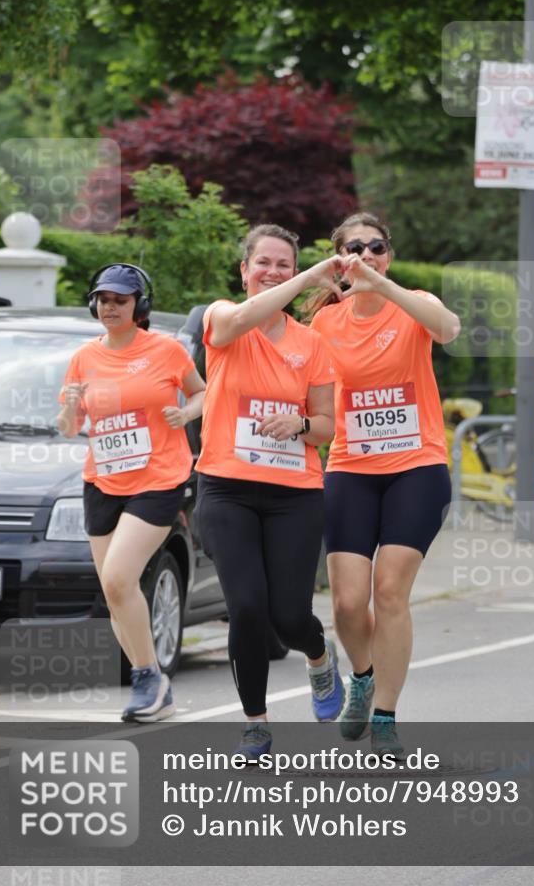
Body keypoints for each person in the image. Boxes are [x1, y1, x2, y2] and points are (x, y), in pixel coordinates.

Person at [307, 213, 461, 758]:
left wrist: (384, 287)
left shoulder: (411, 302)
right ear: (339, 257)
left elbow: (449, 330)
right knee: (349, 604)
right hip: (350, 466)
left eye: (376, 247)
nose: (367, 254)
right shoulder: (325, 324)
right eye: (355, 247)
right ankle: (363, 677)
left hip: (416, 466)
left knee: (390, 592)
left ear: (387, 255)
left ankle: (388, 716)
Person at [194, 224, 346, 758]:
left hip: (293, 495)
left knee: (287, 616)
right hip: (227, 489)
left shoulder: (313, 345)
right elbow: (242, 316)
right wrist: (309, 278)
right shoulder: (222, 319)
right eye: (264, 263)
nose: (273, 272)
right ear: (244, 270)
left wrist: (300, 425)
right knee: (248, 607)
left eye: (284, 264)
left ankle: (319, 656)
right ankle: (256, 724)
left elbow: (328, 425)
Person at [58, 264, 206, 723]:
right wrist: (69, 403)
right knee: (112, 590)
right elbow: (69, 427)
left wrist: (187, 414)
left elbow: (203, 392)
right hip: (102, 480)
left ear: (139, 306)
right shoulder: (84, 357)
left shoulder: (165, 350)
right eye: (103, 299)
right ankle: (154, 683)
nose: (110, 307)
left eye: (120, 300)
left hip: (158, 478)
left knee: (121, 578)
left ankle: (146, 678)